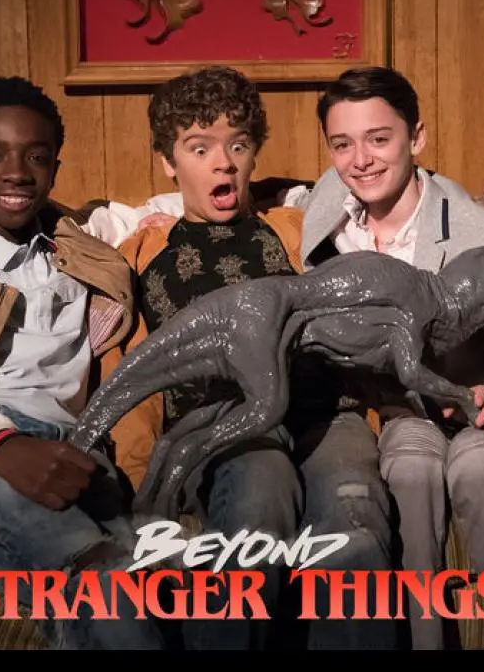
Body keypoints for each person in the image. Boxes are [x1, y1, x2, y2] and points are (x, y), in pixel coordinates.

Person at [99, 65, 398, 650]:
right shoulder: (140, 252)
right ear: (168, 161)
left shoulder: (297, 226)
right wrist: (141, 493)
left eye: (238, 145)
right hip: (220, 423)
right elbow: (131, 378)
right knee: (261, 489)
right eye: (199, 148)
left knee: (354, 521)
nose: (223, 163)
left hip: (324, 417)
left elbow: (389, 190)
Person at [299, 66, 484, 650]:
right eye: (342, 144)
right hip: (407, 411)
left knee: (476, 463)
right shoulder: (329, 204)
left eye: (379, 139)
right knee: (409, 465)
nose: (361, 160)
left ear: (418, 137)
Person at [0, 76, 167, 650]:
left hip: (77, 449)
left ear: (55, 168)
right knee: (100, 587)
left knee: (159, 586)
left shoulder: (76, 241)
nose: (16, 172)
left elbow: (169, 201)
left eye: (36, 157)